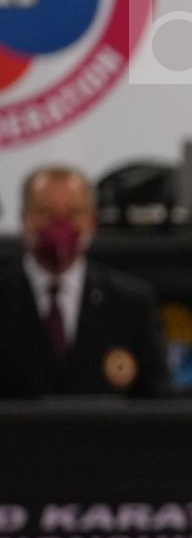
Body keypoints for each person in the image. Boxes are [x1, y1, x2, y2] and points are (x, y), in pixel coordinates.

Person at [0, 165, 170, 399]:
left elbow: (158, 405)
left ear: (92, 221)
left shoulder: (130, 303)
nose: (60, 227)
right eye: (46, 213)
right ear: (23, 219)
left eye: (73, 214)